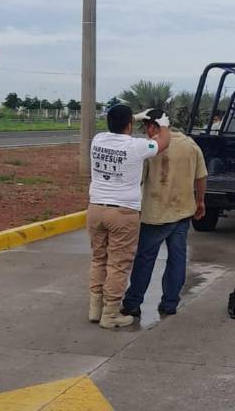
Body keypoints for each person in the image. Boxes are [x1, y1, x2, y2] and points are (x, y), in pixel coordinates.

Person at [87, 105, 171, 328]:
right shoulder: (137, 146)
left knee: (99, 259)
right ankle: (111, 314)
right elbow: (163, 142)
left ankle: (95, 309)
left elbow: (119, 123)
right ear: (130, 125)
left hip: (96, 208)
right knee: (118, 265)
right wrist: (163, 122)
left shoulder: (97, 140)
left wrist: (130, 117)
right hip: (123, 212)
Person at [121, 120, 208, 317]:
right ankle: (170, 303)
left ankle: (133, 302)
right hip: (183, 212)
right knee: (177, 258)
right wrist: (200, 201)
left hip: (155, 214)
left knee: (145, 259)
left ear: (153, 127)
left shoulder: (150, 149)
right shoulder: (191, 145)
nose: (145, 133)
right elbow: (201, 176)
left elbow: (139, 179)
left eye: (146, 129)